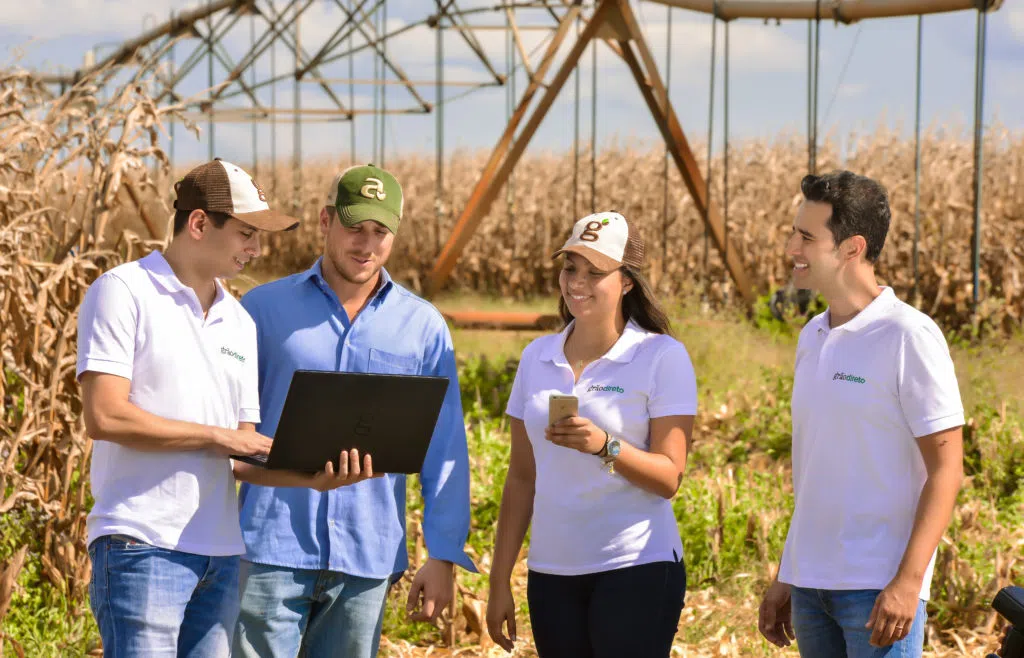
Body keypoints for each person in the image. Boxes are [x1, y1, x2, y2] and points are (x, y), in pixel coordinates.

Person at [77, 159, 365, 658]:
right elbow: (105, 416)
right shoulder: (123, 292)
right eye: (246, 232)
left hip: (221, 558)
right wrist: (220, 436)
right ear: (198, 223)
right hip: (141, 546)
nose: (256, 248)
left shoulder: (239, 321)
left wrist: (309, 477)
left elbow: (240, 454)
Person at [231, 163, 477, 658]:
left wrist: (444, 553)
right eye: (354, 228)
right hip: (269, 549)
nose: (365, 245)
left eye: (379, 232)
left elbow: (444, 446)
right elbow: (229, 429)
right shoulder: (260, 311)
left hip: (366, 553)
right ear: (326, 221)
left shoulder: (423, 327)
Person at [757, 171, 966, 657]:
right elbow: (816, 470)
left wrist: (909, 581)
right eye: (794, 233)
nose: (792, 247)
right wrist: (789, 574)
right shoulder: (812, 335)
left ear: (852, 248)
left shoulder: (908, 336)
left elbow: (947, 469)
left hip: (877, 593)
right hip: (810, 589)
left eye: (806, 237)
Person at [485, 211, 696, 658]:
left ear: (627, 282)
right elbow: (521, 478)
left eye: (594, 272)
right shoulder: (535, 358)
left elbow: (669, 479)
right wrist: (499, 580)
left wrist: (605, 445)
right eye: (570, 268)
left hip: (636, 565)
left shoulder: (661, 356)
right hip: (551, 572)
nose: (577, 282)